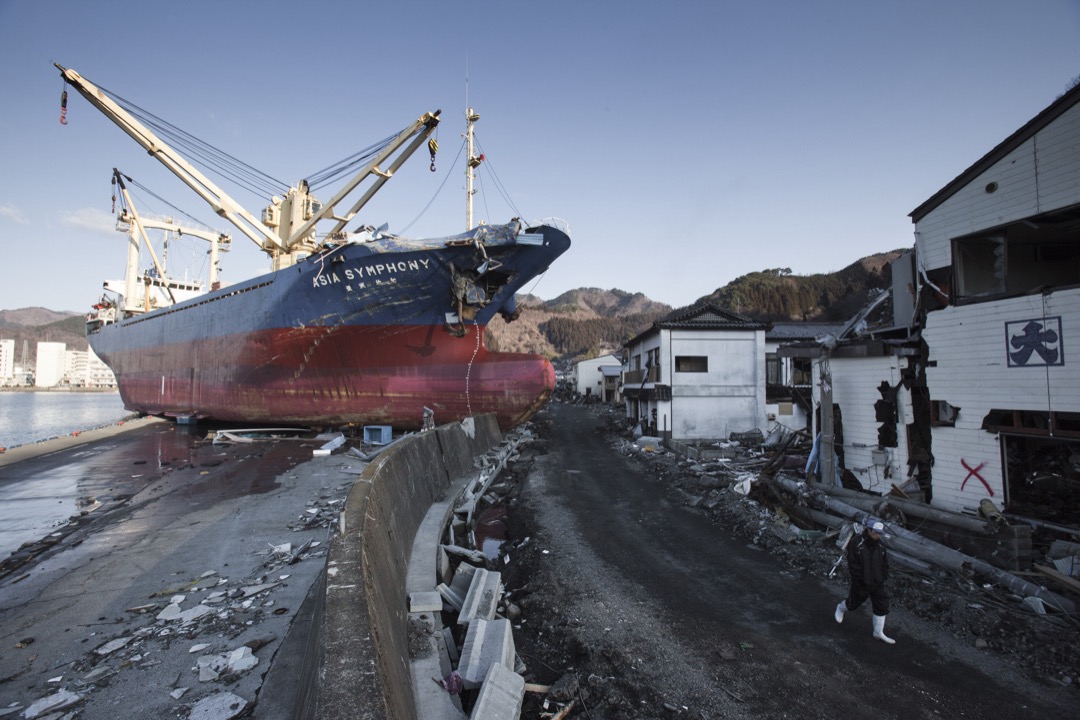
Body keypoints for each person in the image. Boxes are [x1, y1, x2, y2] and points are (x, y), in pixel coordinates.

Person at [833, 518, 895, 644]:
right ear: (868, 529)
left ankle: (878, 632)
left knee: (881, 605)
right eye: (875, 532)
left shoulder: (881, 546)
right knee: (853, 603)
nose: (878, 535)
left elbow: (885, 564)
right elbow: (853, 564)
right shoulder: (856, 543)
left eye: (879, 533)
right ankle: (840, 608)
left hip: (878, 582)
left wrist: (883, 577)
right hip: (862, 582)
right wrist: (860, 578)